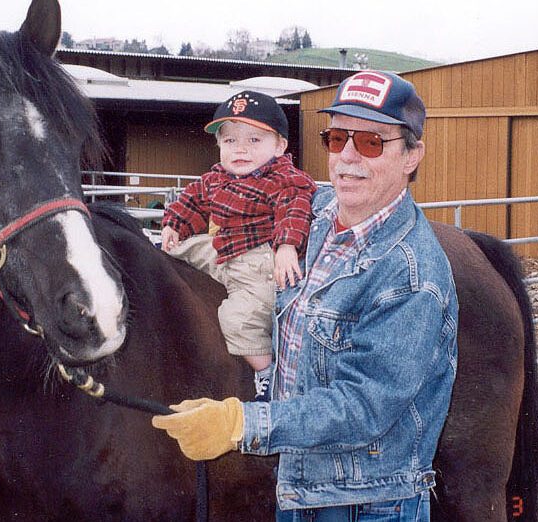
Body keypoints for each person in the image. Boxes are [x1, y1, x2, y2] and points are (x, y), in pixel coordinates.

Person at [152, 70, 458, 521]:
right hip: (296, 492)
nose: (348, 157)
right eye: (337, 138)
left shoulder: (412, 274)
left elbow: (363, 407)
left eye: (372, 142)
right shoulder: (309, 215)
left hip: (365, 505)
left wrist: (241, 423)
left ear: (412, 155)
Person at [160, 90, 317, 401]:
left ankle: (266, 374)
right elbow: (192, 199)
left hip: (259, 262)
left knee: (237, 320)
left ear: (280, 146)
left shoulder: (283, 179)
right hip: (224, 250)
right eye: (230, 140)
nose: (240, 149)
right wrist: (173, 225)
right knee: (173, 252)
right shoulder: (217, 177)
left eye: (254, 141)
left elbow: (294, 209)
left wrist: (286, 246)